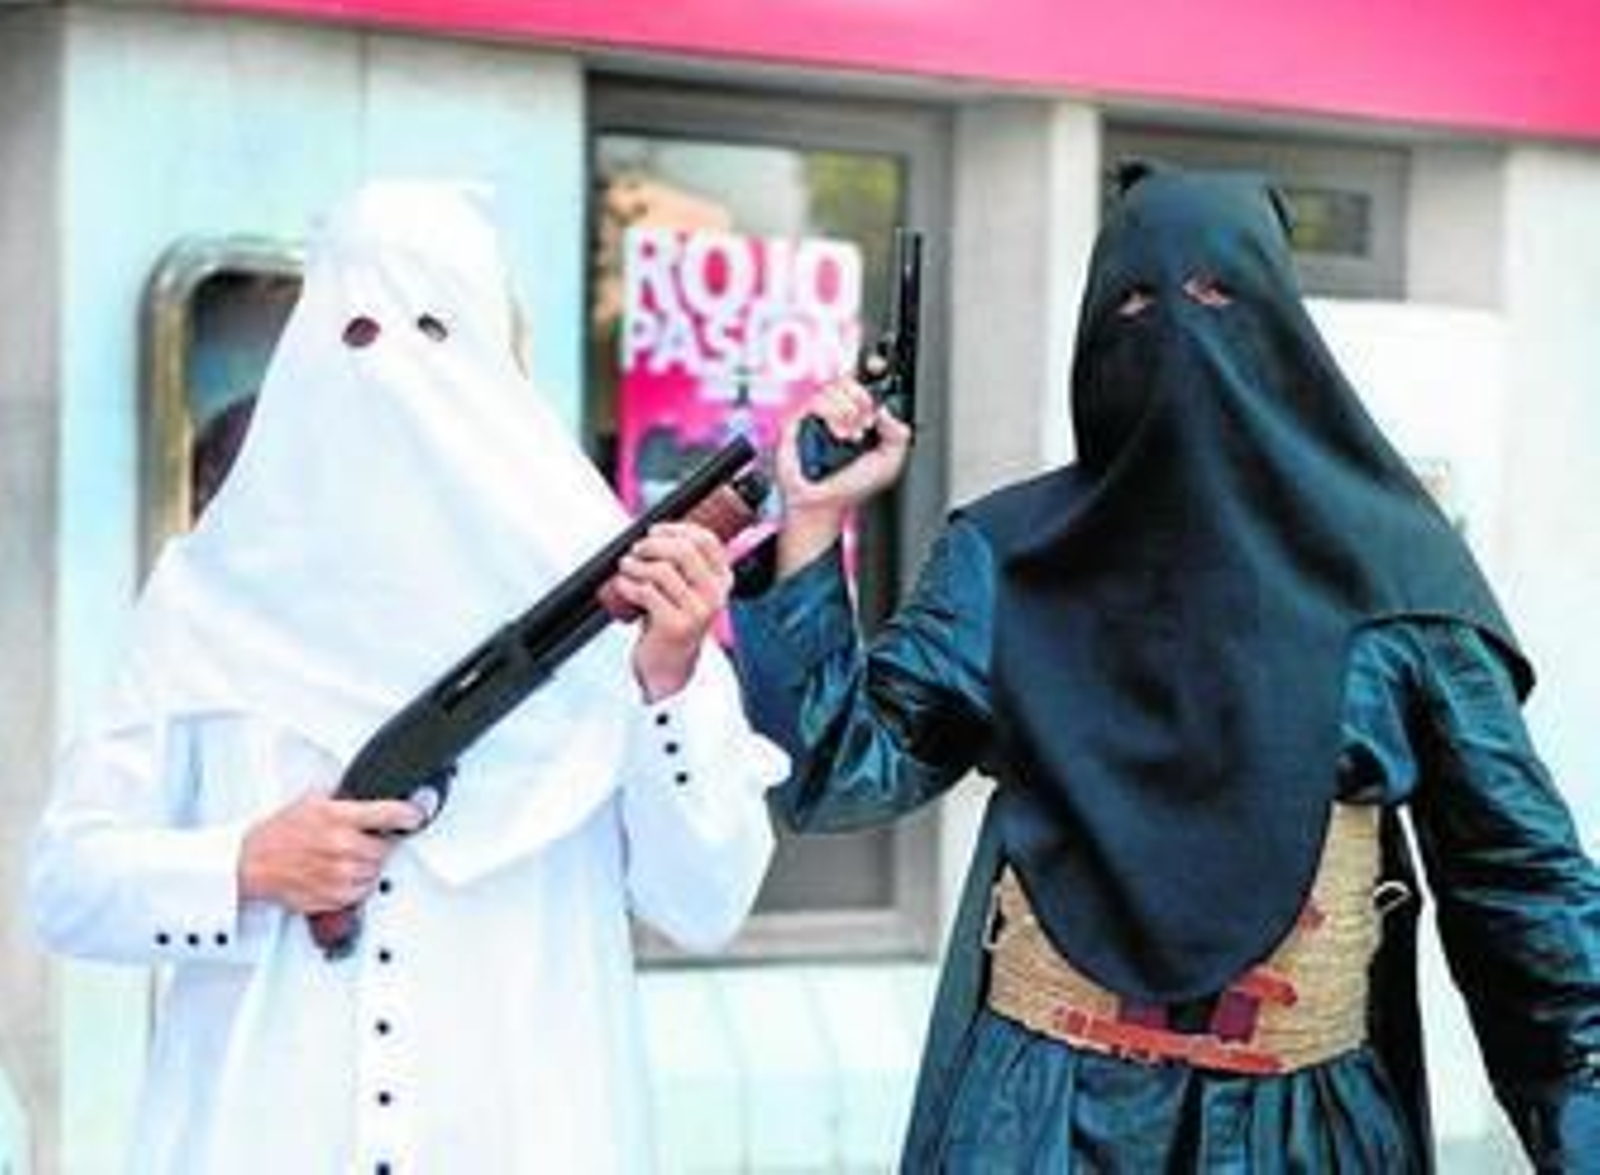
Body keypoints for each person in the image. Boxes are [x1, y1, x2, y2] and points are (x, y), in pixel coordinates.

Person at [731, 164, 1600, 1171]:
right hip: (1039, 1122)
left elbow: (1519, 892)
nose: (1178, 331)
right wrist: (813, 521)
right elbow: (834, 768)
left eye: (1216, 295)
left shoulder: (1396, 574)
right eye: (1138, 303)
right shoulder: (1009, 555)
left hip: (1304, 1130)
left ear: (1279, 324)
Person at [29, 180, 784, 1174]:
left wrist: (670, 686)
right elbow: (66, 884)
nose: (393, 373)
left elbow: (706, 903)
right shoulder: (206, 599)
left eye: (436, 330)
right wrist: (244, 863)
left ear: (498, 361)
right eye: (357, 333)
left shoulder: (616, 603)